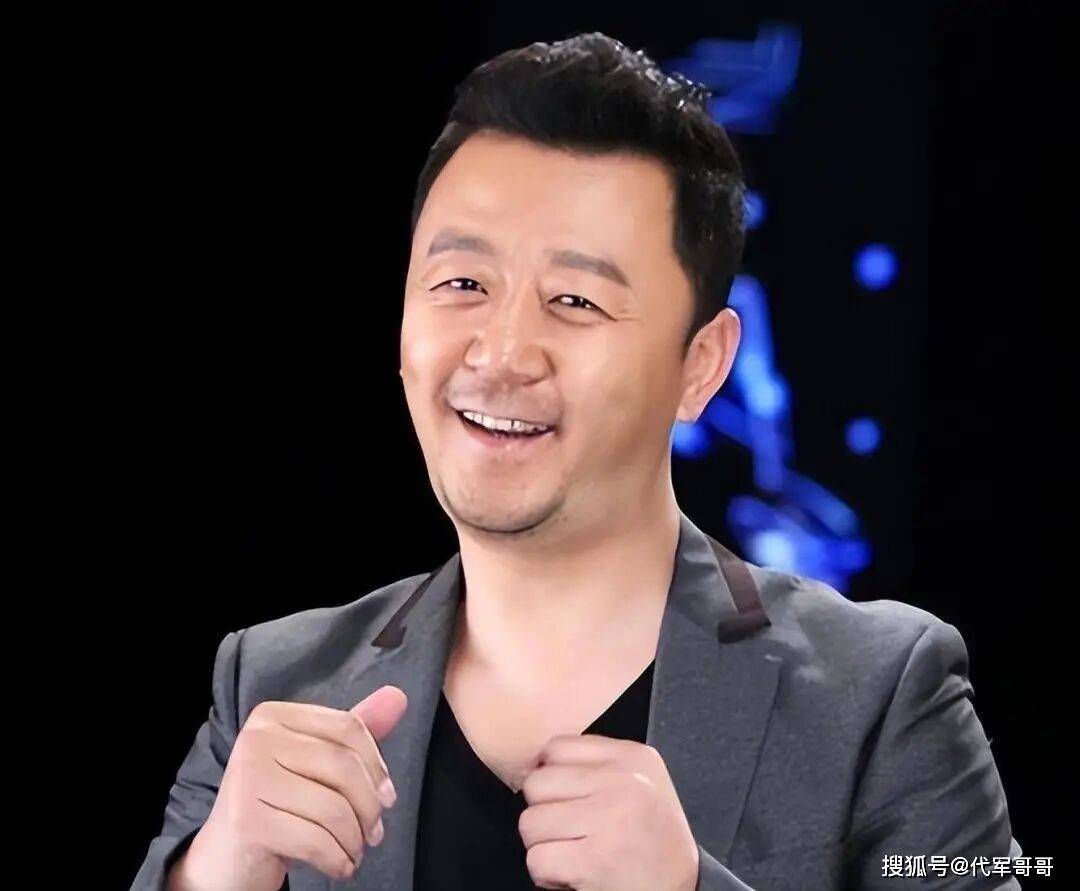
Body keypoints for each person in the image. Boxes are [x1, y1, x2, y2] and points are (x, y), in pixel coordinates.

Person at [134, 32, 1021, 891]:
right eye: (463, 284)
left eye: (575, 299)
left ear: (701, 365)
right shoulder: (275, 682)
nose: (502, 352)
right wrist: (215, 874)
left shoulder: (884, 695)